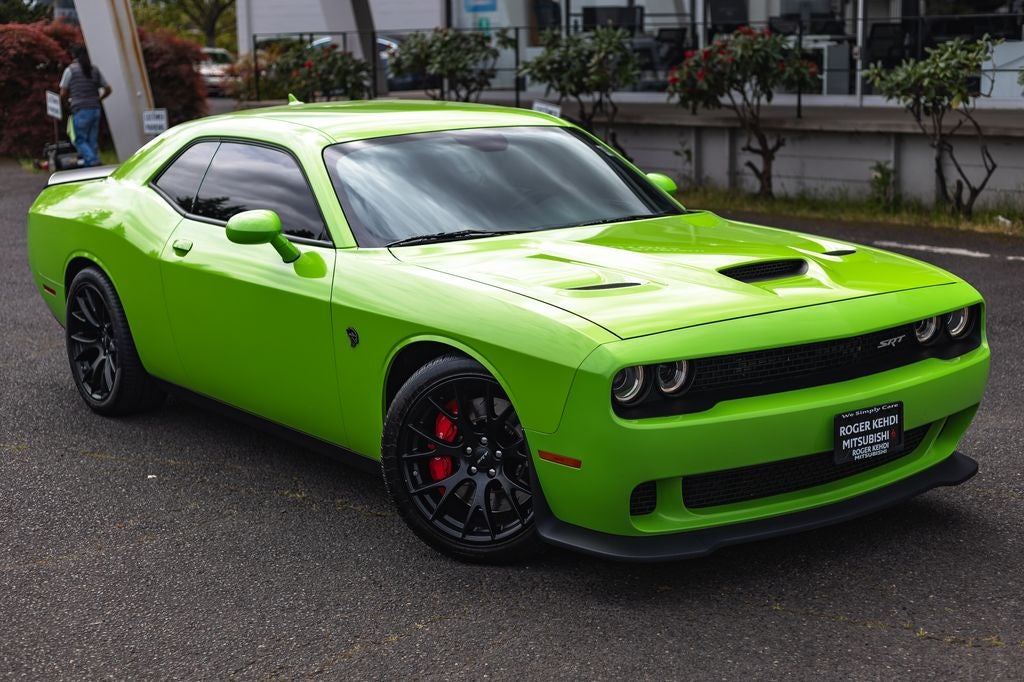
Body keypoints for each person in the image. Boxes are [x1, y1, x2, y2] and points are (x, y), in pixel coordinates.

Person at [59, 45, 112, 167]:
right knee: (91, 140)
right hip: (95, 109)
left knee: (79, 140)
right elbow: (108, 89)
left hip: (81, 109)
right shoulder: (94, 70)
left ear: (73, 56)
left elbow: (63, 92)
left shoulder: (70, 70)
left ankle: (93, 160)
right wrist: (99, 99)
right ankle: (91, 169)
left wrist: (67, 102)